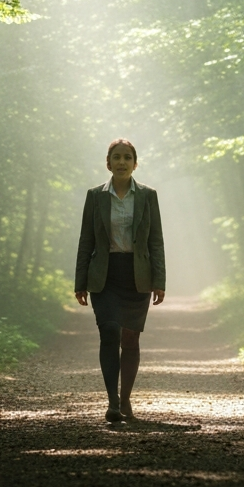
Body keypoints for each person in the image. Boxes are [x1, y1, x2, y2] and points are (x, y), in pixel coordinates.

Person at [74, 138, 165, 423]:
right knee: (110, 331)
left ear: (135, 164)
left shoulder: (148, 195)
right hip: (105, 274)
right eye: (117, 157)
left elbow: (156, 241)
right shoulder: (95, 195)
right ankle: (112, 401)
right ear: (108, 163)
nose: (122, 162)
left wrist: (160, 280)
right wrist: (80, 281)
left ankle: (126, 398)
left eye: (127, 157)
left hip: (137, 275)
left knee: (131, 339)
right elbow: (86, 239)